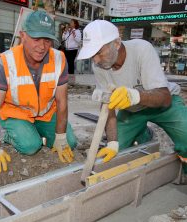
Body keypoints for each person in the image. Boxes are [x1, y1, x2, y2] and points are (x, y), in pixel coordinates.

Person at [77, 20, 187, 183]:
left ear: (117, 42)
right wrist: (113, 142)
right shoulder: (99, 66)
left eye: (99, 52)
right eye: (93, 55)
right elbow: (108, 106)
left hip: (165, 106)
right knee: (115, 153)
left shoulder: (142, 49)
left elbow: (164, 97)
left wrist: (135, 96)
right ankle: (143, 135)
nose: (96, 60)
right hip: (133, 111)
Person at [0, 10, 77, 173]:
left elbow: (62, 102)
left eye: (47, 40)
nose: (42, 47)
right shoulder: (5, 63)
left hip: (45, 113)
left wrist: (61, 138)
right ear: (23, 36)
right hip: (16, 114)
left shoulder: (59, 59)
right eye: (36, 39)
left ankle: (37, 131)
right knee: (30, 146)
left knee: (70, 142)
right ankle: (10, 135)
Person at [62, 19, 81, 83]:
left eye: (72, 22)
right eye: (70, 22)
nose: (70, 23)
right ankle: (67, 78)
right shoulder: (68, 31)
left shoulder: (77, 31)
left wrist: (74, 34)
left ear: (75, 24)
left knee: (71, 64)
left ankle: (71, 80)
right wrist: (65, 31)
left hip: (73, 50)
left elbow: (78, 40)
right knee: (66, 64)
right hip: (67, 49)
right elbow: (63, 38)